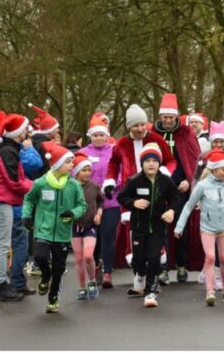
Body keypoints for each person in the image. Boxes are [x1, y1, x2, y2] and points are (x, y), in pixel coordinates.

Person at [104, 104, 176, 271]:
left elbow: (171, 160)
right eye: (136, 125)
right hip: (131, 193)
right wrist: (110, 181)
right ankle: (137, 264)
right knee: (131, 226)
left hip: (154, 189)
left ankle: (157, 262)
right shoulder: (122, 144)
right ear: (129, 126)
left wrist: (164, 173)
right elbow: (113, 164)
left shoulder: (156, 139)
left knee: (156, 225)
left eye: (143, 124)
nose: (140, 128)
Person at [0, 110, 42, 295]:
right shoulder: (8, 152)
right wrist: (35, 186)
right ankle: (1, 285)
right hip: (1, 202)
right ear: (17, 132)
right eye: (25, 129)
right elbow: (14, 181)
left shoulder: (8, 150)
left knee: (0, 243)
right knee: (3, 245)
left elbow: (16, 178)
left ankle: (3, 283)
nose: (27, 132)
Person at [21, 141, 86, 313]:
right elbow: (29, 200)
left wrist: (73, 213)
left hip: (62, 232)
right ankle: (45, 275)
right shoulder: (41, 183)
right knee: (40, 257)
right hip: (43, 229)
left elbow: (82, 205)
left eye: (72, 162)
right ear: (57, 164)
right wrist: (26, 215)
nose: (72, 165)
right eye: (68, 162)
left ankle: (53, 297)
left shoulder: (74, 185)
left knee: (59, 268)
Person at [174, 149, 224, 306]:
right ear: (213, 168)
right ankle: (210, 291)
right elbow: (188, 206)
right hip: (207, 229)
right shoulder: (202, 186)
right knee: (210, 257)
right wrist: (179, 227)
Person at [117, 143, 179, 307]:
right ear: (142, 163)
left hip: (158, 227)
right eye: (147, 161)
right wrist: (133, 203)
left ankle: (151, 292)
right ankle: (140, 275)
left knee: (154, 258)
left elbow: (175, 198)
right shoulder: (135, 181)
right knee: (138, 259)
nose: (151, 164)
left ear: (159, 163)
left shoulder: (165, 181)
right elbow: (121, 197)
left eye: (154, 161)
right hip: (139, 227)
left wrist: (171, 211)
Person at [151, 93, 202, 284]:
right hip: (159, 187)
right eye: (164, 117)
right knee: (161, 228)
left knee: (181, 227)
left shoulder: (186, 133)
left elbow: (194, 160)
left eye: (171, 117)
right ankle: (163, 268)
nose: (167, 121)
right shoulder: (152, 133)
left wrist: (189, 180)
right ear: (160, 116)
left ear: (176, 116)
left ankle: (181, 264)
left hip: (180, 187)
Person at [192, 121, 224, 289]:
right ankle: (208, 267)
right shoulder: (203, 157)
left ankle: (219, 273)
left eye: (222, 142)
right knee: (208, 236)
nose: (219, 145)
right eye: (215, 142)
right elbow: (195, 178)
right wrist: (196, 197)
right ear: (211, 141)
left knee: (222, 237)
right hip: (207, 201)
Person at [79, 114, 120, 288]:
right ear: (90, 136)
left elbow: (122, 171)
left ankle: (108, 271)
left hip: (111, 201)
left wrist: (113, 185)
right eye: (95, 135)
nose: (99, 138)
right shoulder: (83, 153)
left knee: (108, 236)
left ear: (107, 135)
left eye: (102, 135)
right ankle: (95, 267)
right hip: (90, 204)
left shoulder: (115, 150)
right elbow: (76, 173)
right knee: (93, 239)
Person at [25, 103, 61, 276]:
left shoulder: (34, 143)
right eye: (56, 128)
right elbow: (50, 168)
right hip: (46, 189)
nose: (58, 131)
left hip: (34, 188)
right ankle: (41, 262)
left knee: (36, 223)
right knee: (46, 224)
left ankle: (36, 260)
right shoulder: (46, 146)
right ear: (50, 130)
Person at [70, 152, 103, 300]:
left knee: (88, 256)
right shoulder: (70, 186)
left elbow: (101, 201)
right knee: (78, 259)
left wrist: (99, 214)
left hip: (90, 226)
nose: (88, 173)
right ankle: (82, 287)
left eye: (89, 170)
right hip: (74, 227)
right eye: (84, 170)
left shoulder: (94, 186)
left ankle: (92, 282)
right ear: (76, 171)